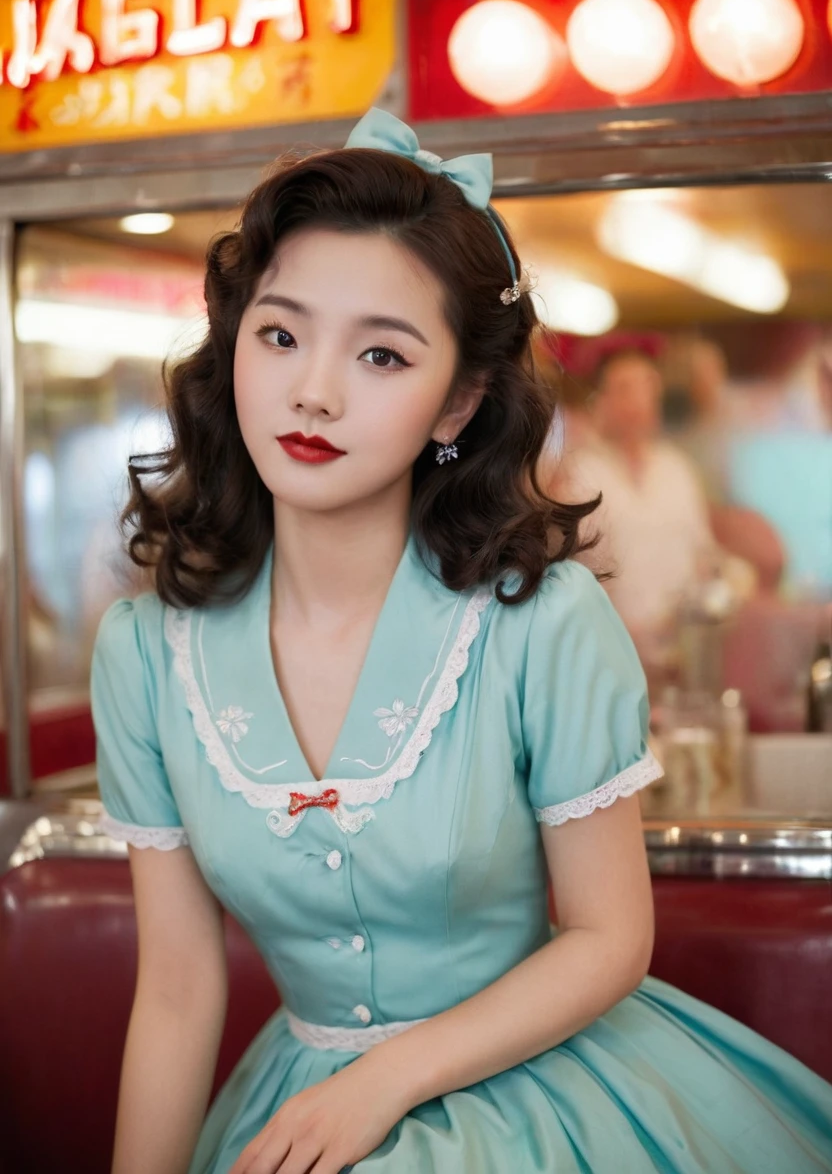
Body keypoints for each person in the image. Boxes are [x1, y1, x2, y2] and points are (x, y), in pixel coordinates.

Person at [91, 108, 832, 1174]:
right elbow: (175, 985)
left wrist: (383, 1083)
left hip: (541, 1088)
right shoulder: (144, 651)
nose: (314, 389)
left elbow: (609, 937)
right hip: (294, 1101)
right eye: (281, 332)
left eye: (382, 353)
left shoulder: (545, 621)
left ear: (460, 403)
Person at [562, 343, 721, 676]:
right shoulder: (579, 473)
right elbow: (576, 573)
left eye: (648, 387)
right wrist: (619, 634)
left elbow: (704, 558)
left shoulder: (678, 469)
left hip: (679, 653)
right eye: (624, 389)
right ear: (600, 401)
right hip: (609, 652)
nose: (637, 401)